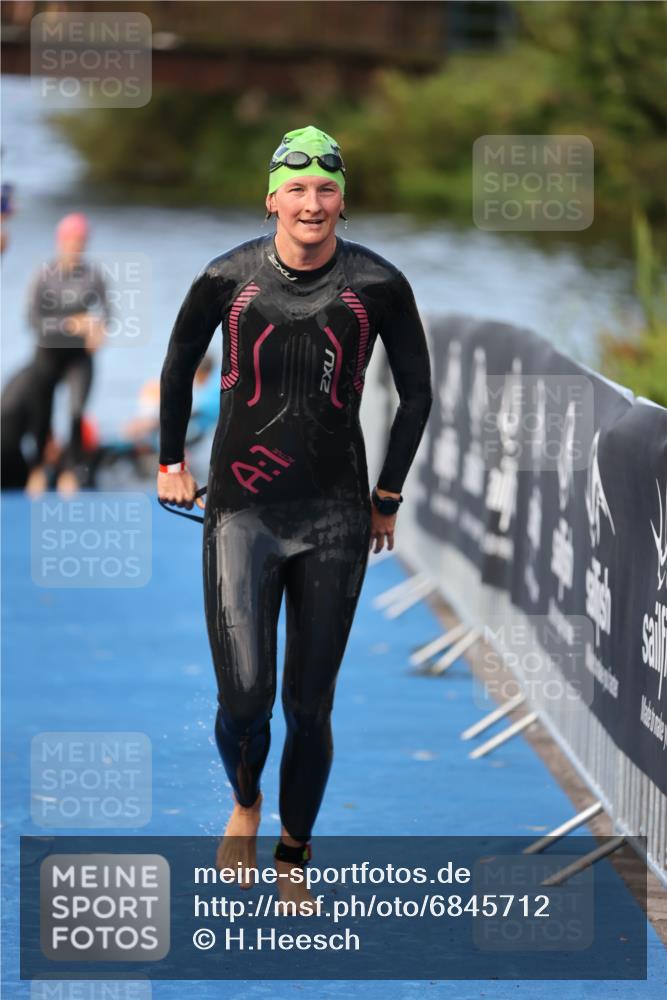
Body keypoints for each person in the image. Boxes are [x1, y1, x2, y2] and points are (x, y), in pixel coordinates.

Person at [157, 125, 433, 912]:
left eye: (326, 189)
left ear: (342, 201)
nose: (311, 204)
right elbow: (177, 366)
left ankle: (293, 851)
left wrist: (386, 497)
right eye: (297, 189)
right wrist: (171, 461)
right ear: (271, 198)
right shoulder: (226, 278)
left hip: (335, 517)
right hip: (241, 513)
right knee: (245, 700)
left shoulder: (378, 285)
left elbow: (416, 394)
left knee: (310, 706)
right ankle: (245, 802)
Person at [24, 212, 109, 495]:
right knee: (42, 412)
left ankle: (70, 471)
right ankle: (37, 469)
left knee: (76, 412)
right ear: (60, 241)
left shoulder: (93, 275)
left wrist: (99, 329)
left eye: (81, 240)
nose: (76, 245)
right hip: (48, 352)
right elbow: (33, 321)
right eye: (71, 240)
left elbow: (107, 312)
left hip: (79, 357)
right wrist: (70, 324)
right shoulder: (44, 275)